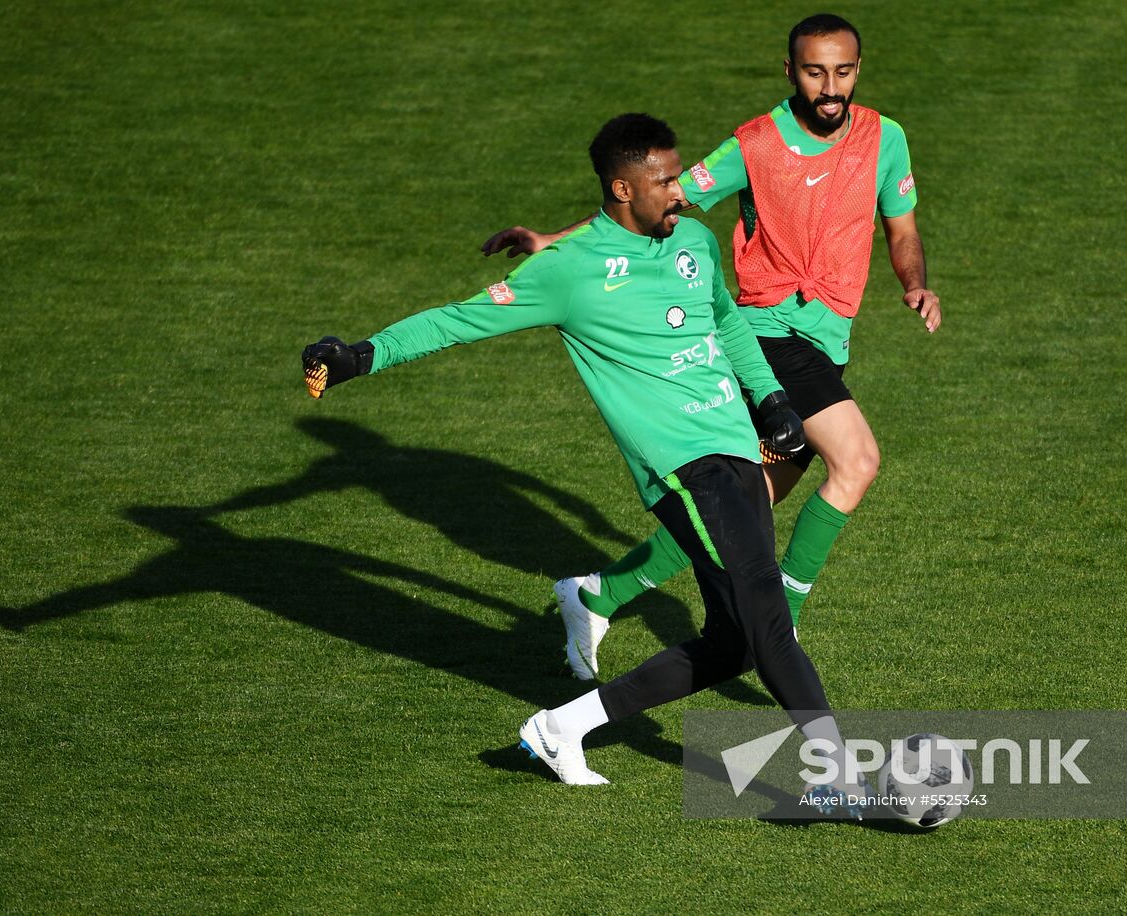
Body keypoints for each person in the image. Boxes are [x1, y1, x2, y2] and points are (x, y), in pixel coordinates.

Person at [301, 113, 862, 806]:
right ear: (622, 190)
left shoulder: (693, 239)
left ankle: (561, 728)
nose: (681, 192)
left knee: (736, 644)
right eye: (663, 181)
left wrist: (773, 396)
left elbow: (723, 320)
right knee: (769, 619)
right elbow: (458, 318)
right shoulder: (570, 272)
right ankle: (841, 779)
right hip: (686, 472)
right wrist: (360, 356)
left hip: (738, 457)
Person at [483, 13, 941, 682]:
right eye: (815, 72)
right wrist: (556, 241)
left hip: (827, 338)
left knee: (753, 498)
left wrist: (915, 284)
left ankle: (598, 594)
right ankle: (779, 621)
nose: (830, 86)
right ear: (791, 72)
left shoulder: (884, 138)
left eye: (842, 71)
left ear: (857, 71)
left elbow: (901, 228)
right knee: (858, 460)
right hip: (767, 332)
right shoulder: (755, 145)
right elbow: (663, 199)